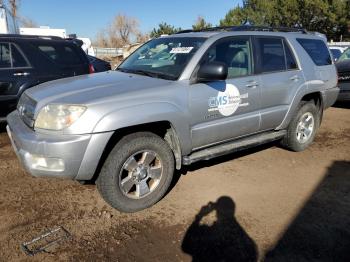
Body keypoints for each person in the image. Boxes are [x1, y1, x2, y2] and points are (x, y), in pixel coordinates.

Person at [182, 196, 257, 262]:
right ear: (233, 211)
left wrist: (199, 216)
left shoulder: (207, 234)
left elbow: (186, 246)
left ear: (216, 211)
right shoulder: (245, 241)